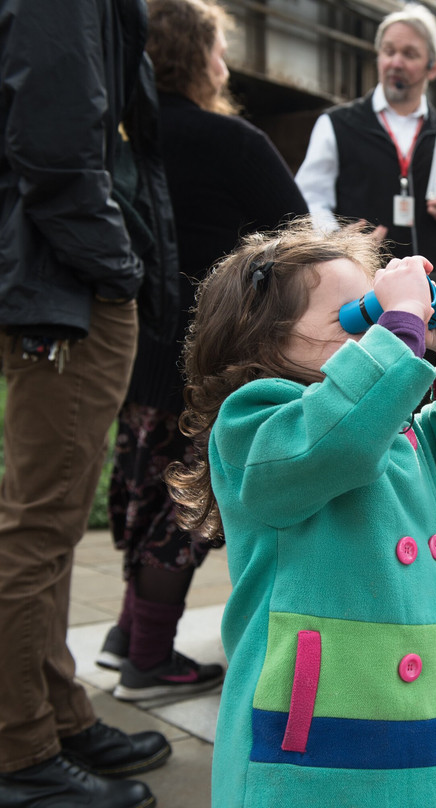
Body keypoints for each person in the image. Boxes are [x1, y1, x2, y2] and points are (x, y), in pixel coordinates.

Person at [164, 220, 436, 805]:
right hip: (313, 737)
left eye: (382, 313)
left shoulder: (394, 431)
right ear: (263, 340)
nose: (384, 329)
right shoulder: (255, 422)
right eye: (360, 316)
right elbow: (335, 438)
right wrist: (399, 324)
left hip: (418, 718)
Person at [97, 0, 309, 703]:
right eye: (219, 49)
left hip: (132, 344)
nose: (225, 64)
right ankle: (150, 659)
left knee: (140, 492)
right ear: (200, 56)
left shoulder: (124, 139)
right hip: (205, 352)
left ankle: (129, 633)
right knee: (187, 507)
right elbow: (296, 234)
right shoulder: (233, 140)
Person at [0, 0, 177, 805]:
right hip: (67, 283)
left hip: (65, 275)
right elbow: (56, 142)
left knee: (55, 522)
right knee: (38, 526)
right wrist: (119, 266)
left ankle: (58, 715)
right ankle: (18, 752)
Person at [295, 3, 436, 281]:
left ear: (432, 67)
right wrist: (337, 240)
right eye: (389, 51)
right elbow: (309, 199)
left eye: (409, 54)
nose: (396, 62)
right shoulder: (337, 125)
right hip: (364, 286)